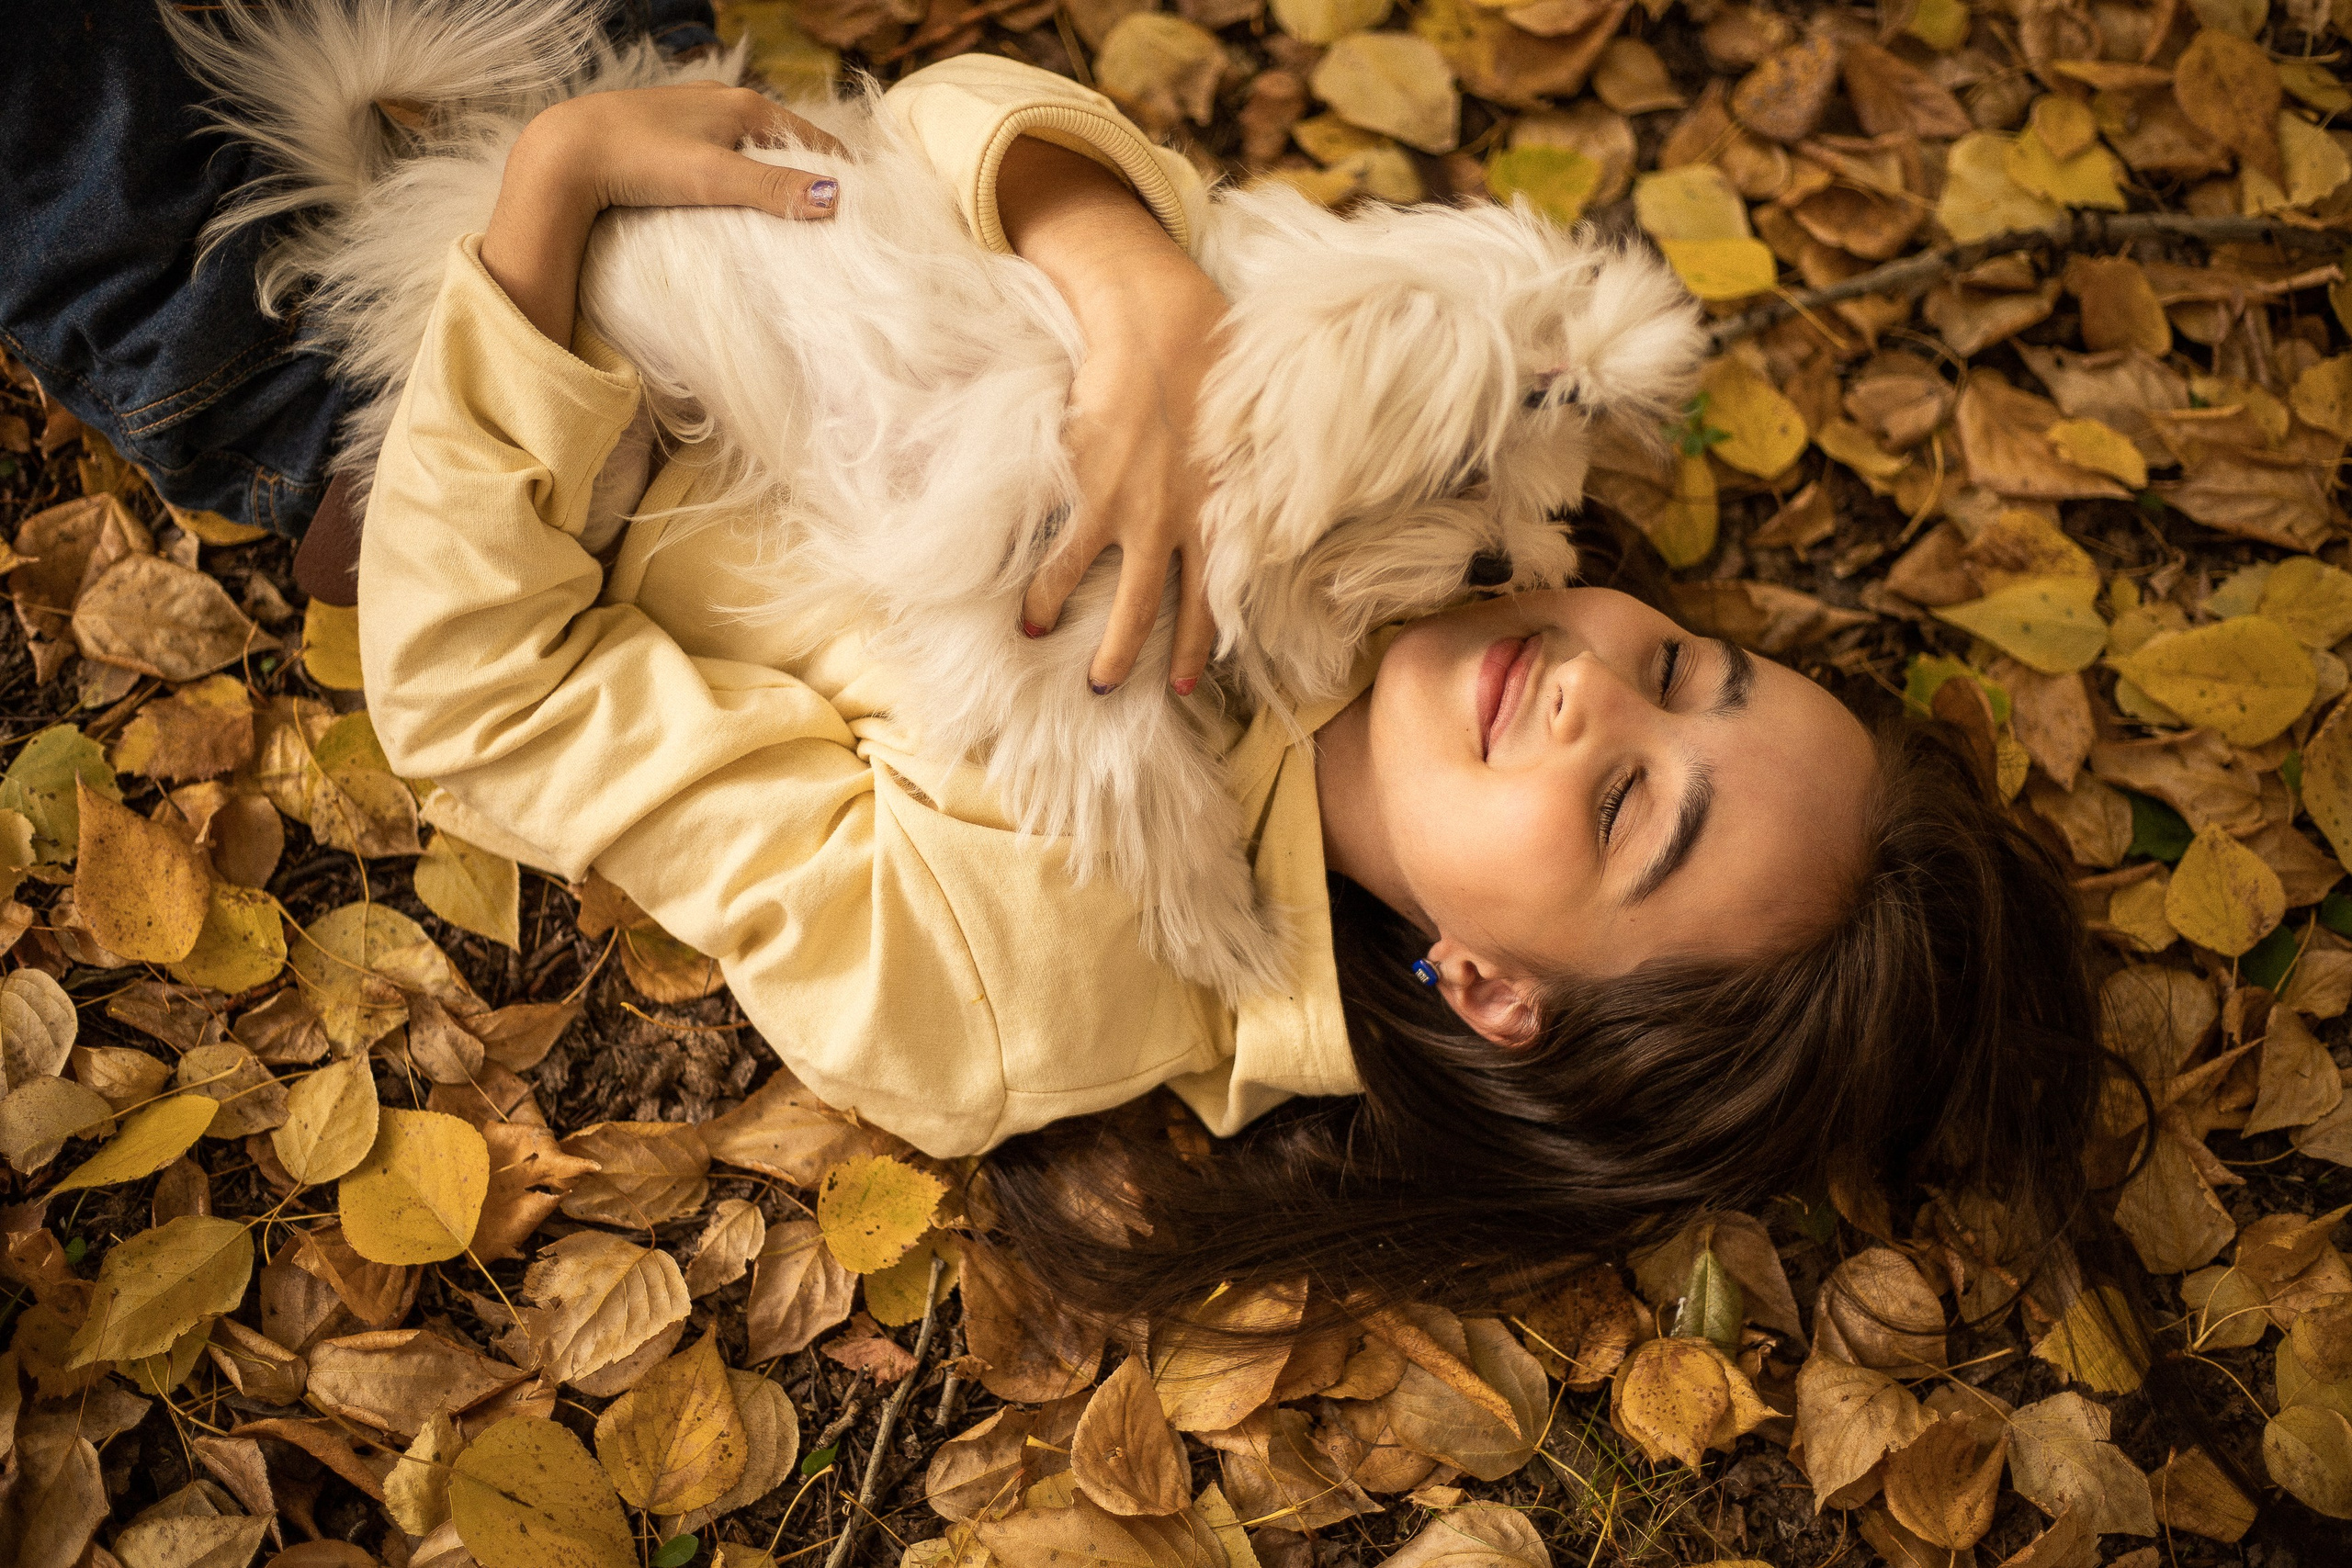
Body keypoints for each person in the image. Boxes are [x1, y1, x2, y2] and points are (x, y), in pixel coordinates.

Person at [354, 52, 2116, 1358]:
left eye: (1622, 808)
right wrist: (1121, 266)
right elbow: (930, 123)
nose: (1590, 687)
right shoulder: (1419, 459)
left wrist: (547, 207)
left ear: (1492, 990)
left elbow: (477, 699)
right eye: (1678, 667)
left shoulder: (1004, 975)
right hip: (709, 121)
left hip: (434, 375)